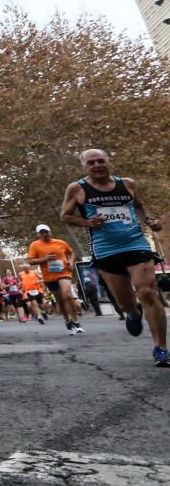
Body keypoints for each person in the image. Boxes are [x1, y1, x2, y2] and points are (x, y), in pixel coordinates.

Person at [60, 148, 167, 366]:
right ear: (84, 166)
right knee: (125, 302)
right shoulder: (77, 188)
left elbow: (138, 204)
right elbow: (65, 215)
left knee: (147, 292)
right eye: (91, 163)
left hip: (136, 244)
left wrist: (150, 220)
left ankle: (161, 348)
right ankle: (133, 314)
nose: (97, 165)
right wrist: (88, 223)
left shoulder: (127, 184)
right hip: (106, 250)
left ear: (109, 162)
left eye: (101, 161)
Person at [27, 224, 82, 335]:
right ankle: (67, 320)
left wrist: (71, 262)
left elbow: (71, 252)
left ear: (50, 232)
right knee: (60, 300)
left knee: (67, 295)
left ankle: (76, 322)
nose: (45, 234)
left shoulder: (60, 242)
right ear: (38, 234)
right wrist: (45, 259)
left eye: (46, 231)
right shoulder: (35, 245)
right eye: (42, 232)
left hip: (64, 272)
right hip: (49, 276)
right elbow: (30, 261)